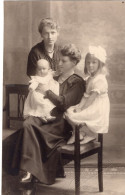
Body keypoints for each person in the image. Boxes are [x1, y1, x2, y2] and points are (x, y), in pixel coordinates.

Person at [3, 44, 86, 185]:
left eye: (63, 61)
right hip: (45, 118)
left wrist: (46, 91)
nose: (59, 63)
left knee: (28, 128)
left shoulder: (77, 82)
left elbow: (64, 103)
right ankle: (29, 171)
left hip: (61, 124)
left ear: (74, 62)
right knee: (24, 129)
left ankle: (29, 173)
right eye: (58, 60)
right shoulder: (54, 77)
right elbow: (37, 96)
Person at [64, 46, 110, 144]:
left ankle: (88, 134)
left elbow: (91, 99)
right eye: (88, 62)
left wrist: (82, 109)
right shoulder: (90, 78)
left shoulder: (100, 79)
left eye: (94, 62)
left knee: (74, 115)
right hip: (89, 104)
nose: (90, 65)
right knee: (69, 111)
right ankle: (79, 133)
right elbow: (85, 97)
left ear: (100, 64)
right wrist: (79, 107)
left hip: (98, 108)